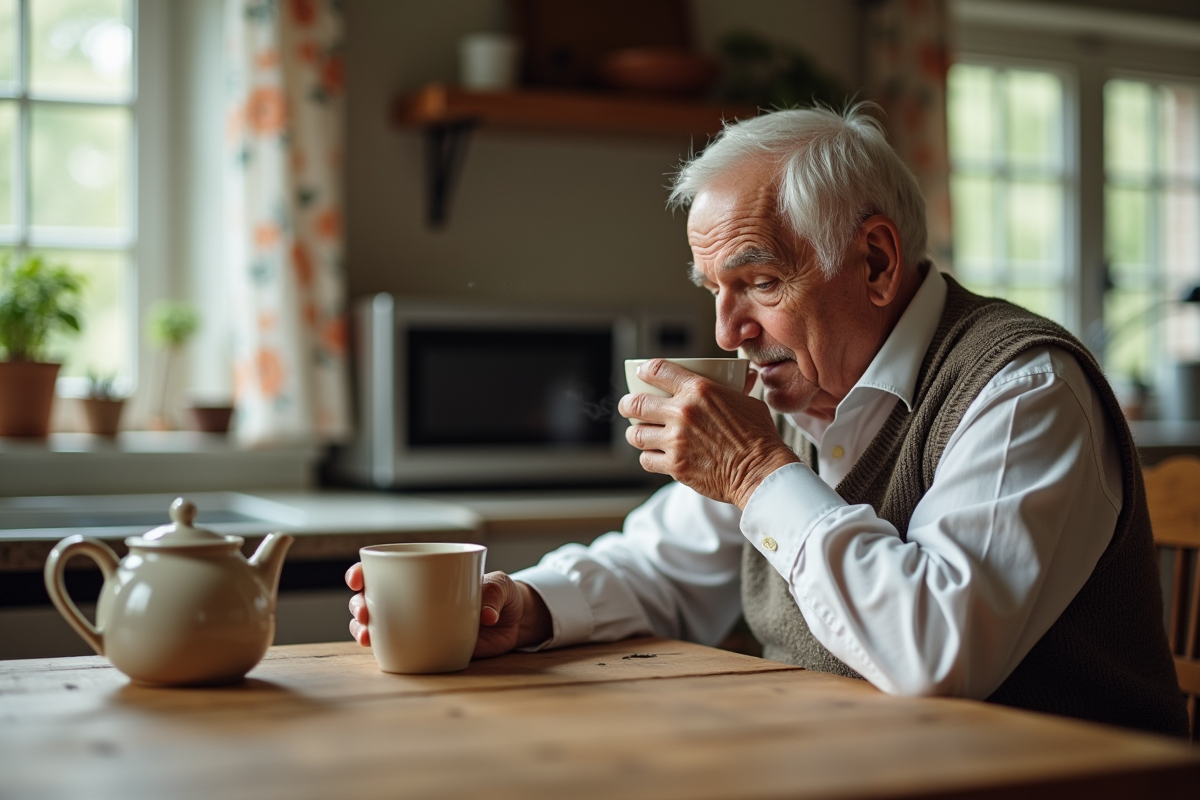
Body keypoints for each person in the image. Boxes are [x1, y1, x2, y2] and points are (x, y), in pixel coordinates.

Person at [346, 104, 1188, 738]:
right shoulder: (794, 397)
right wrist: (523, 608)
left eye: (760, 283)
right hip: (849, 761)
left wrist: (756, 476)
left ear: (877, 261)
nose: (726, 332)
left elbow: (939, 654)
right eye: (712, 289)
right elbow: (661, 568)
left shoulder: (1024, 388)